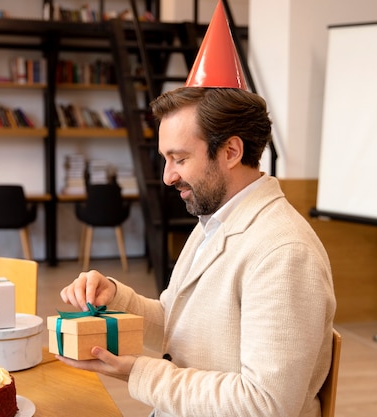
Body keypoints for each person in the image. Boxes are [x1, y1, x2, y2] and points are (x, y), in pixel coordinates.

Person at [57, 2, 336, 416]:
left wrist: (141, 374)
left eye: (180, 159)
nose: (168, 176)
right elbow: (176, 321)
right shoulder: (217, 220)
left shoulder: (284, 253)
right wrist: (117, 297)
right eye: (165, 159)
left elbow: (267, 404)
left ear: (231, 151)